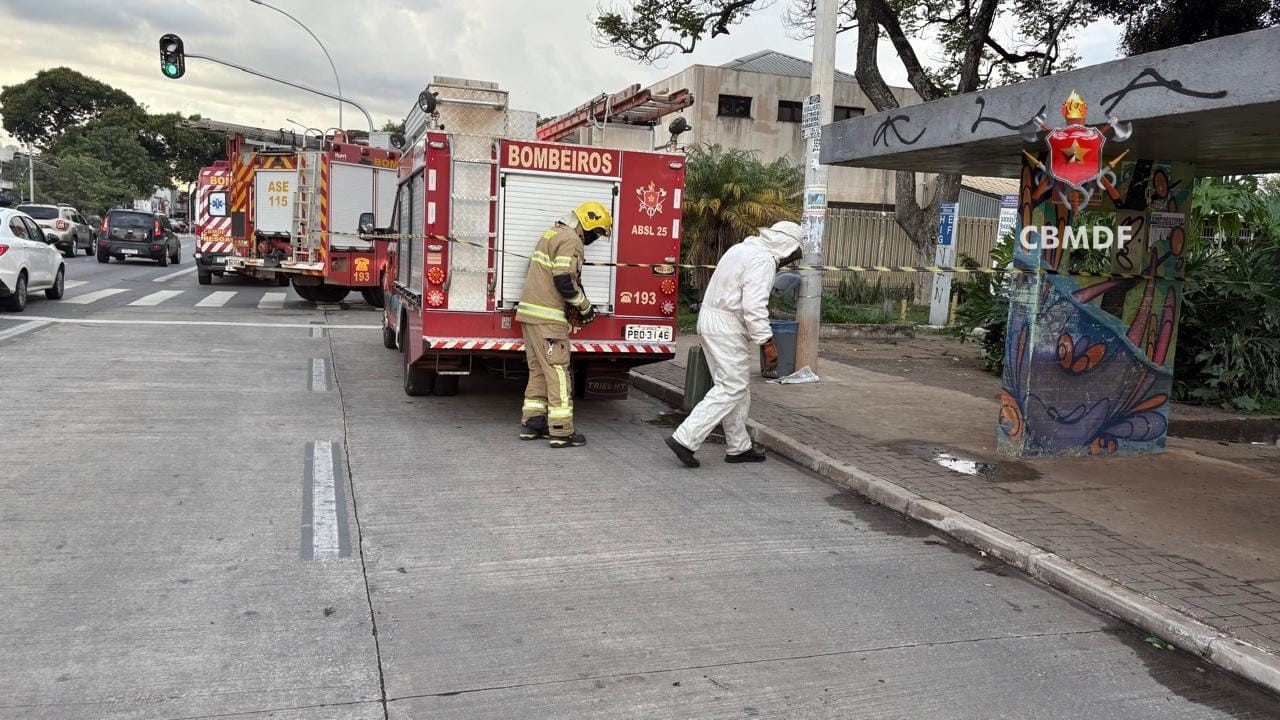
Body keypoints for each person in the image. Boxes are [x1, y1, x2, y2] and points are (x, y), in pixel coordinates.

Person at [666, 220, 804, 468]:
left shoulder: (740, 249)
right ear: (785, 245)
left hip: (710, 318)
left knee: (735, 387)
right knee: (732, 388)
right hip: (727, 325)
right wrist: (766, 341)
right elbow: (754, 306)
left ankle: (739, 447)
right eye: (792, 253)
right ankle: (685, 438)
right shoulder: (763, 260)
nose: (788, 259)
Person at [516, 201, 613, 448]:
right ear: (589, 223)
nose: (595, 238)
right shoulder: (571, 240)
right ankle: (560, 431)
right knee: (558, 372)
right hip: (548, 319)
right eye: (598, 232)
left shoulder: (552, 233)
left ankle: (532, 424)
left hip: (529, 316)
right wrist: (585, 307)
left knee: (538, 370)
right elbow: (564, 281)